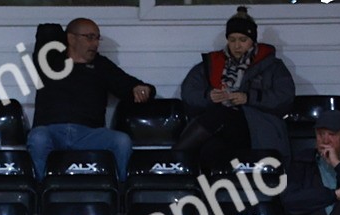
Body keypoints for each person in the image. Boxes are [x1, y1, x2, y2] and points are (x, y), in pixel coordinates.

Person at [27, 17, 155, 181]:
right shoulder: (50, 61)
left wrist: (144, 89)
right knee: (37, 138)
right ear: (71, 38)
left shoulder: (101, 65)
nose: (95, 44)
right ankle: (39, 195)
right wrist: (66, 38)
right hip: (51, 131)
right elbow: (47, 30)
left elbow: (133, 87)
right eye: (89, 37)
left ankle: (121, 195)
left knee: (121, 141)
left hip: (89, 134)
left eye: (97, 38)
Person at [176, 6, 295, 164]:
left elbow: (285, 97)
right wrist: (209, 96)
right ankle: (207, 186)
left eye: (242, 40)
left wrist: (249, 98)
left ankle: (173, 158)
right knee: (210, 149)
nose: (237, 45)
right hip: (220, 129)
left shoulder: (272, 66)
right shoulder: (212, 63)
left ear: (252, 40)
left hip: (256, 129)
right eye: (232, 40)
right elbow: (189, 92)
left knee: (220, 115)